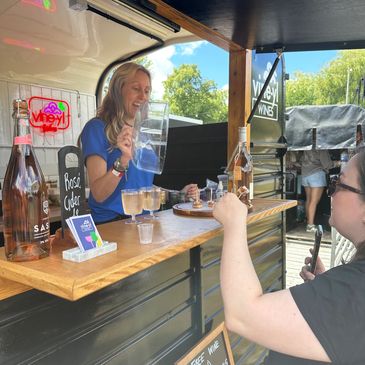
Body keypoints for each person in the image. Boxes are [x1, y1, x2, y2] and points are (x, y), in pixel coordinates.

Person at [213, 149, 365, 364]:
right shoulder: (349, 289)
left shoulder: (354, 289)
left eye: (339, 184)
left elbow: (242, 314)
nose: (331, 191)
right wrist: (326, 289)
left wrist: (234, 223)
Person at [80, 62, 197, 224]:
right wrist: (123, 161)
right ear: (118, 90)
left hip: (146, 221)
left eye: (147, 91)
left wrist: (178, 194)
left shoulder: (143, 133)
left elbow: (142, 186)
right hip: (113, 224)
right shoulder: (97, 128)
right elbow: (98, 193)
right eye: (136, 89)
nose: (143, 97)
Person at [300, 149, 334, 232]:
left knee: (309, 200)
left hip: (305, 175)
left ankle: (309, 222)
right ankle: (310, 226)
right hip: (316, 175)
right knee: (314, 201)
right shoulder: (321, 148)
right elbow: (327, 164)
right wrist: (339, 162)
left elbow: (301, 160)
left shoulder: (306, 146)